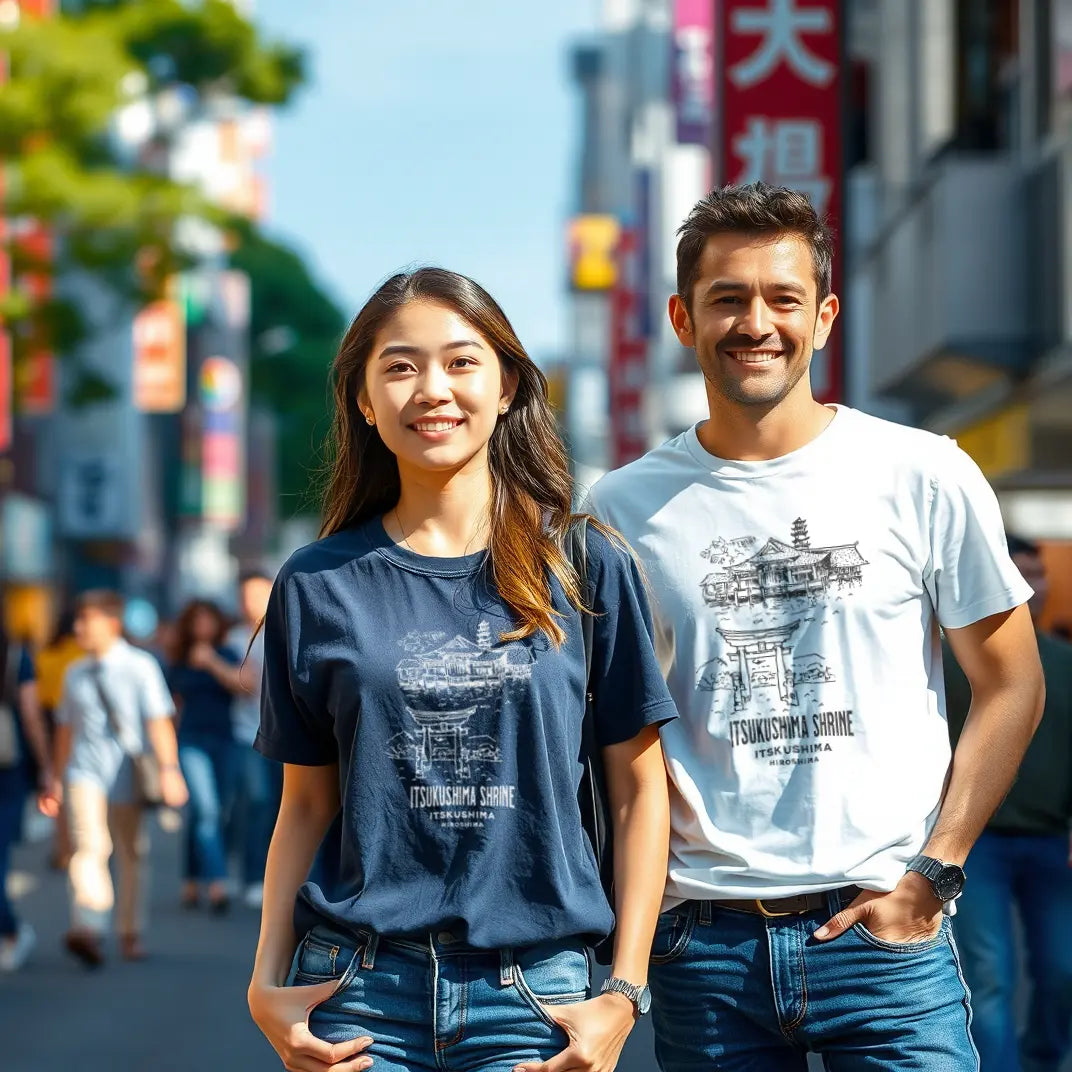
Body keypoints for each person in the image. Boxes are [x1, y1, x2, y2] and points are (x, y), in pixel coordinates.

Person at [586, 181, 1046, 1069]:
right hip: (704, 946)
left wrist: (936, 870)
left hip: (887, 934)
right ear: (683, 318)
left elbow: (1011, 683)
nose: (756, 323)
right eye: (728, 298)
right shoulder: (620, 509)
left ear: (824, 317)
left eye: (783, 299)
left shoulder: (922, 472)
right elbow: (617, 740)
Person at [247, 268, 676, 1072]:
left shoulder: (583, 562)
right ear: (364, 401)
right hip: (357, 993)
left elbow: (640, 790)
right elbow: (305, 803)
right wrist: (265, 982)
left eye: (461, 362)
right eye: (400, 367)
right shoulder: (316, 581)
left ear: (507, 386)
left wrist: (624, 990)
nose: (432, 389)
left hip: (536, 999)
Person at [945, 535, 1072, 1072]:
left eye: (1038, 574)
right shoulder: (952, 658)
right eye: (1020, 575)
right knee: (989, 974)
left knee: (1063, 972)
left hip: (1054, 841)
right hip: (977, 843)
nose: (1032, 586)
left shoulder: (1065, 661)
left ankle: (1043, 1060)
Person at [43, 589, 188, 966]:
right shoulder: (74, 672)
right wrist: (55, 777)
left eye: (85, 621)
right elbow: (64, 729)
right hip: (84, 773)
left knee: (132, 853)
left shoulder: (140, 666)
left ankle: (130, 931)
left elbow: (158, 721)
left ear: (111, 623)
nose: (78, 628)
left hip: (129, 774)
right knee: (88, 847)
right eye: (77, 620)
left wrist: (170, 770)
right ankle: (88, 926)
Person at [167, 599, 240, 912]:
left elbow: (243, 685)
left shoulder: (227, 653)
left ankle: (191, 880)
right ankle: (217, 883)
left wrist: (211, 662)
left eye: (208, 620)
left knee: (211, 812)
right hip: (190, 741)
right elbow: (171, 707)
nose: (202, 626)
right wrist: (167, 759)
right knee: (206, 809)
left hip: (224, 740)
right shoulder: (178, 660)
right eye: (196, 621)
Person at [225, 569, 281, 909]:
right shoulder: (232, 639)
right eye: (244, 596)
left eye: (257, 595)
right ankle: (251, 877)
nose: (250, 603)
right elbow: (242, 683)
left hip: (284, 735)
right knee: (256, 803)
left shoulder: (286, 630)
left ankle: (277, 878)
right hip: (246, 734)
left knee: (280, 808)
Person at [0, 625, 50, 971]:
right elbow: (31, 715)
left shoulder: (16, 656)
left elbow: (32, 715)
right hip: (10, 769)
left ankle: (12, 930)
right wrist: (45, 768)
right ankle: (11, 930)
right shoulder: (17, 656)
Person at [35, 608, 82, 871]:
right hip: (82, 726)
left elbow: (39, 697)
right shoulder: (84, 656)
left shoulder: (46, 656)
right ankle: (79, 842)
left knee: (58, 786)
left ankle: (63, 847)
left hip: (52, 724)